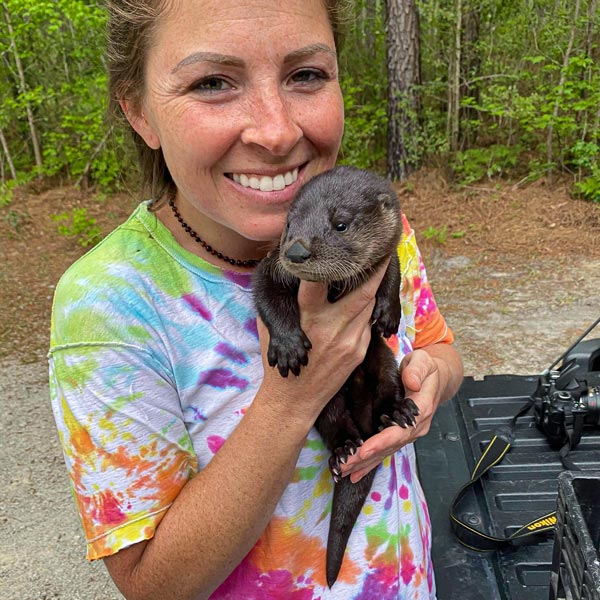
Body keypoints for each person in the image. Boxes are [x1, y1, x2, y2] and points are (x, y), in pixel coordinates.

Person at [48, 0, 464, 598]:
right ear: (139, 111)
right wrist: (291, 401)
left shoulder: (366, 230)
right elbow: (152, 586)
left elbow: (439, 351)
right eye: (213, 82)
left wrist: (428, 387)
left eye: (306, 75)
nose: (276, 131)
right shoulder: (110, 305)